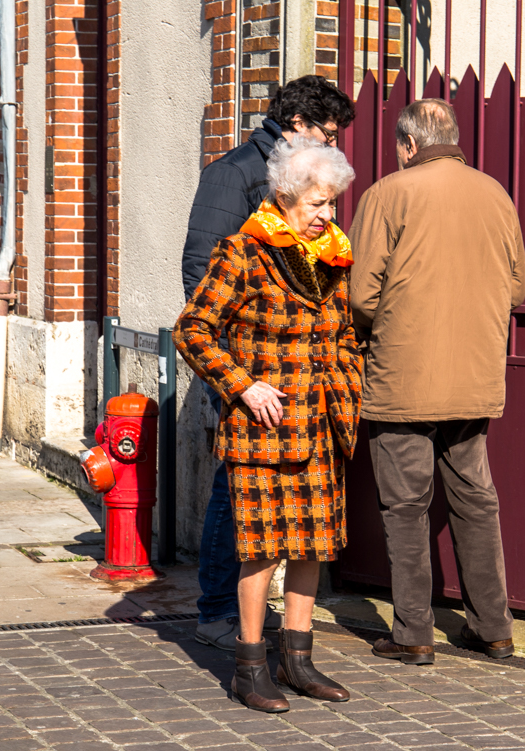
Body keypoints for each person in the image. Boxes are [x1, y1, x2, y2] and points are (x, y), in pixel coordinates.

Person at [174, 137, 361, 712]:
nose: (327, 216)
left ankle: (298, 662)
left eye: (331, 204)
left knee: (312, 547)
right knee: (261, 550)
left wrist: (349, 380)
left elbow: (344, 333)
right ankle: (250, 666)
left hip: (321, 426)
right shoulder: (243, 252)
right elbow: (193, 329)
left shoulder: (332, 257)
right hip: (265, 429)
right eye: (317, 205)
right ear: (284, 197)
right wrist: (242, 384)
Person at [348, 99, 525, 665]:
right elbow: (518, 285)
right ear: (451, 137)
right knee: (476, 498)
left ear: (407, 144)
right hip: (473, 374)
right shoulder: (495, 193)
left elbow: (359, 294)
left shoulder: (387, 194)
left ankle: (413, 633)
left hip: (403, 375)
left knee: (405, 506)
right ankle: (494, 628)